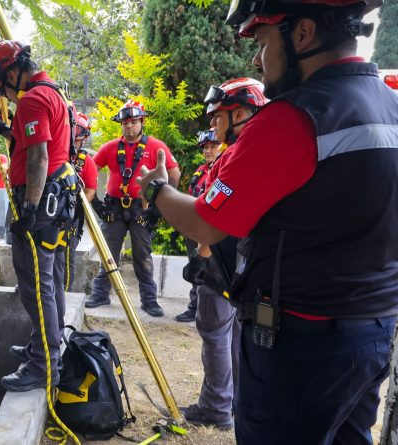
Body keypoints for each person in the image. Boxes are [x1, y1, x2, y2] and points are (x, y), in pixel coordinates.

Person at [137, 0, 398, 441]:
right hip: (373, 330)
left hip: (300, 342)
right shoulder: (390, 105)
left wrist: (156, 190)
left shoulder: (291, 120)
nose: (257, 60)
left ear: (302, 34)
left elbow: (206, 222)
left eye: (261, 42)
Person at [0, 40, 79, 392]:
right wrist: (3, 127)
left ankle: (43, 364)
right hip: (55, 201)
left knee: (36, 287)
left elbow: (38, 156)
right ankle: (47, 348)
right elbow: (35, 141)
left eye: (2, 84)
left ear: (13, 73)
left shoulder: (34, 99)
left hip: (39, 202)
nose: (4, 92)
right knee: (49, 281)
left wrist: (29, 210)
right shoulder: (53, 94)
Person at [180, 78, 268, 430]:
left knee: (215, 332)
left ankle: (216, 407)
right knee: (230, 336)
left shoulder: (240, 155)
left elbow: (212, 217)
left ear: (242, 113)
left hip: (223, 263)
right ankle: (229, 401)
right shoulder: (259, 149)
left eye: (218, 117)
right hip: (241, 264)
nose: (213, 125)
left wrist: (202, 257)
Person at [86, 100, 181, 316]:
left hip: (142, 208)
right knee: (107, 253)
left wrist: (160, 206)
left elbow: (174, 173)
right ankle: (101, 294)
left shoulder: (156, 146)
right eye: (125, 122)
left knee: (142, 254)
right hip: (113, 207)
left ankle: (149, 300)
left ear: (142, 122)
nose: (129, 126)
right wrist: (97, 205)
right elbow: (90, 172)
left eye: (133, 122)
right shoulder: (109, 147)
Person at [176, 129, 222, 323]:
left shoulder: (224, 170)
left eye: (213, 146)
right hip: (194, 229)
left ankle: (207, 312)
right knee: (194, 269)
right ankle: (194, 307)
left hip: (212, 233)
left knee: (210, 272)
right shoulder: (200, 171)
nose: (208, 151)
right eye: (206, 148)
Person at [60, 110, 98, 293]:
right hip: (49, 213)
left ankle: (64, 294)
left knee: (67, 258)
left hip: (71, 217)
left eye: (76, 140)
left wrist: (75, 206)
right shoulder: (56, 155)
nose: (72, 144)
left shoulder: (86, 162)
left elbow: (90, 189)